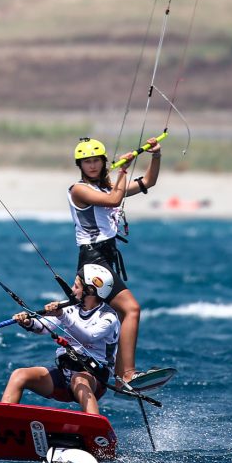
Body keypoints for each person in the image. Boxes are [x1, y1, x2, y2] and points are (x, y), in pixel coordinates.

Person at [69, 136, 161, 383]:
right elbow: (114, 200)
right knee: (131, 309)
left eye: (96, 161)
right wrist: (122, 172)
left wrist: (155, 154)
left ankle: (121, 374)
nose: (92, 166)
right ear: (80, 165)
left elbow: (148, 182)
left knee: (120, 314)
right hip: (93, 260)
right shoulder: (78, 189)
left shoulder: (108, 187)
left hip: (106, 259)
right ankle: (128, 374)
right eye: (86, 162)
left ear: (103, 161)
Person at [1, 264, 120, 415]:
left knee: (79, 380)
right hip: (65, 374)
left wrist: (61, 314)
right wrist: (28, 322)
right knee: (19, 375)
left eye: (76, 286)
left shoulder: (108, 317)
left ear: (90, 291)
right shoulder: (70, 307)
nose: (71, 289)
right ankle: (4, 424)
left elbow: (87, 336)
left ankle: (95, 431)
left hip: (94, 379)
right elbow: (43, 327)